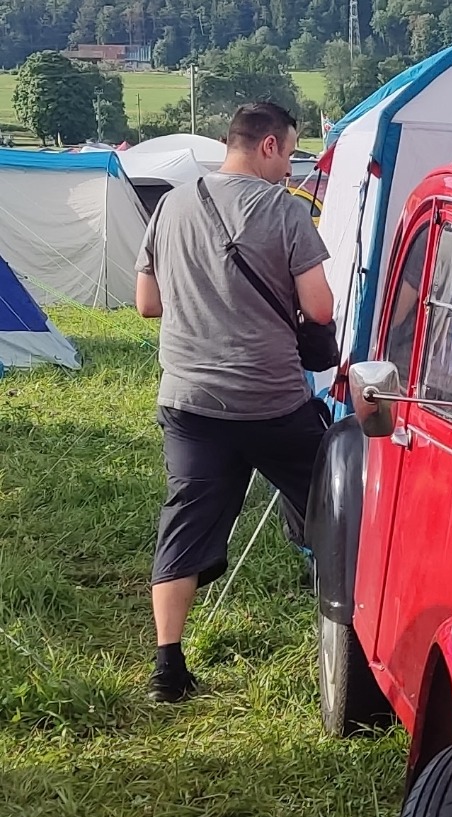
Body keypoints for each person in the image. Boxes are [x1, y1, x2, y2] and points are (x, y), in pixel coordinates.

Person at [134, 100, 334, 702]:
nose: (291, 168)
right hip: (271, 401)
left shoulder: (172, 204)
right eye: (291, 152)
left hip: (190, 402)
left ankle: (168, 665)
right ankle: (342, 607)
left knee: (185, 520)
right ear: (269, 145)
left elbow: (147, 302)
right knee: (336, 493)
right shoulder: (284, 210)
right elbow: (320, 309)